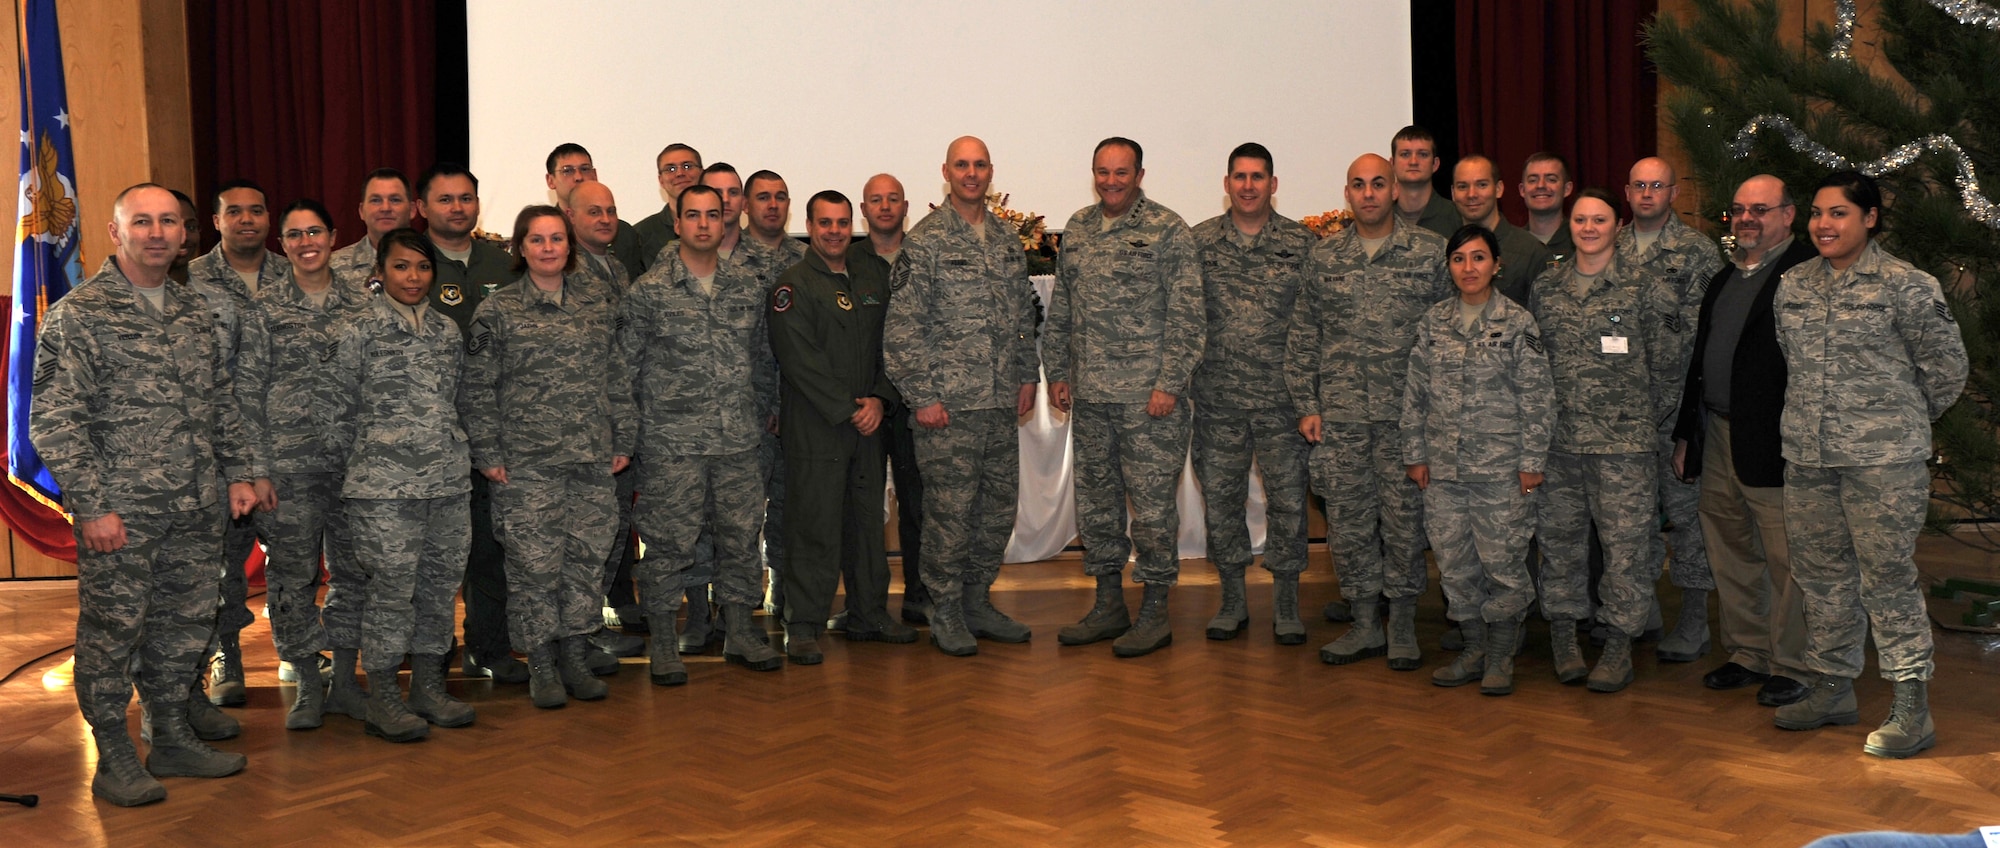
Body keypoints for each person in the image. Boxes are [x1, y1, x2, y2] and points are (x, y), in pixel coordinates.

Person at [32, 184, 261, 806]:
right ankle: (112, 757)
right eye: (142, 221)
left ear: (184, 233)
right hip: (122, 515)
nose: (157, 232)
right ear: (116, 232)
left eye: (168, 221)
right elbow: (54, 420)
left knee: (183, 628)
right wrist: (92, 506)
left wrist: (239, 472)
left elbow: (220, 401)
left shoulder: (193, 312)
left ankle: (171, 736)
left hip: (195, 506)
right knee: (113, 634)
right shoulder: (81, 315)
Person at [1770, 171, 1966, 759]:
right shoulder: (1793, 285)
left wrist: (1895, 421)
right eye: (1817, 214)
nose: (1823, 225)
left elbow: (1947, 370)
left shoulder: (1907, 285)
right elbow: (1792, 361)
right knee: (1823, 578)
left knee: (1887, 579)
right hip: (1808, 457)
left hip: (1882, 465)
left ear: (1870, 219)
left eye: (1838, 214)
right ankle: (1832, 688)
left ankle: (1912, 704)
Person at [463, 206, 636, 708]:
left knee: (584, 561)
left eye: (556, 239)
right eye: (536, 240)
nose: (547, 248)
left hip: (589, 459)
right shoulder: (498, 312)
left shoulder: (596, 303)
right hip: (526, 465)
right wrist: (487, 453)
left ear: (570, 246)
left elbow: (617, 376)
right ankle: (541, 662)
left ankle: (575, 658)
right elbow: (477, 389)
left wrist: (623, 438)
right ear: (520, 249)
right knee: (534, 568)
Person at [1526, 187, 1693, 693]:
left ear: (1616, 226)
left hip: (1624, 448)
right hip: (1558, 447)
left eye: (1599, 220)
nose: (1589, 228)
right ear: (1570, 225)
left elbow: (1669, 367)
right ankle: (1564, 637)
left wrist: (1643, 425)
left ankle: (1619, 644)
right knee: (1560, 546)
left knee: (1625, 550)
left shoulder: (1645, 287)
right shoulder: (1547, 287)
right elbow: (1535, 367)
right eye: (1580, 220)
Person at [1287, 153, 1450, 671]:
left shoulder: (1430, 253)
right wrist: (1308, 405)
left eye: (1379, 184)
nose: (1370, 193)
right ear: (1348, 193)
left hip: (1407, 421)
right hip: (1342, 420)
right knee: (1351, 525)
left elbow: (1448, 336)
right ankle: (1363, 624)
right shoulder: (1325, 257)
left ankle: (1401, 625)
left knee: (1404, 525)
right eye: (1359, 185)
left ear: (1396, 190)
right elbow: (1304, 335)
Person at [620, 184, 786, 681]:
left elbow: (762, 361)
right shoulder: (648, 292)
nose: (704, 224)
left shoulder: (747, 287)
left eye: (713, 215)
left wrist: (767, 411)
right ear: (677, 222)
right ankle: (666, 643)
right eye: (693, 215)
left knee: (739, 539)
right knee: (669, 545)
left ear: (724, 220)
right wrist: (630, 437)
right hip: (673, 446)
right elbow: (624, 371)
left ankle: (739, 632)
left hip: (738, 441)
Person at [882, 138, 1041, 655]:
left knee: (996, 511)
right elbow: (903, 329)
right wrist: (922, 397)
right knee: (949, 517)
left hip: (998, 405)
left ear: (990, 171)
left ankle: (977, 600)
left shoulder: (1003, 239)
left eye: (979, 165)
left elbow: (1021, 319)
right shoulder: (926, 242)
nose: (971, 174)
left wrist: (1026, 375)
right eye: (961, 165)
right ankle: (945, 609)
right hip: (947, 410)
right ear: (945, 172)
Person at [1047, 137, 1204, 658]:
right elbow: (1064, 307)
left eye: (1121, 172)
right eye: (1102, 172)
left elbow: (1187, 314)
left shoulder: (1168, 229)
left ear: (1140, 174)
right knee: (1098, 506)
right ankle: (1109, 604)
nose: (1111, 181)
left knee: (1154, 510)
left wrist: (1169, 384)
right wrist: (1058, 370)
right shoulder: (1079, 228)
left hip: (1148, 400)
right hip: (1091, 397)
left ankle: (1155, 611)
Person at [1671, 174, 1818, 707]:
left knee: (1786, 557)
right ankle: (1748, 653)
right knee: (1729, 548)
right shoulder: (1724, 278)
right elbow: (1700, 365)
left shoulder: (1805, 275)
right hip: (1718, 434)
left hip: (1777, 441)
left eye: (1760, 209)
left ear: (1788, 215)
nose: (1747, 218)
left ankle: (1792, 662)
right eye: (1738, 209)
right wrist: (1687, 433)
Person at [323, 228, 475, 743]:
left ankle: (429, 688)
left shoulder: (447, 332)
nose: (413, 277)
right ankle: (384, 697)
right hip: (382, 489)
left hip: (447, 484)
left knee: (438, 590)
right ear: (380, 272)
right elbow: (337, 413)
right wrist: (357, 472)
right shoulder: (357, 330)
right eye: (402, 267)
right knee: (390, 593)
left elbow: (454, 400)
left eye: (423, 267)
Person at [237, 199, 374, 730]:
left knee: (354, 575)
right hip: (287, 471)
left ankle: (344, 681)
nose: (305, 242)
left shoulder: (364, 306)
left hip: (352, 469)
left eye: (314, 231)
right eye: (294, 235)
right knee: (291, 580)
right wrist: (257, 469)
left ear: (334, 236)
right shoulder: (263, 309)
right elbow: (246, 393)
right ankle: (308, 684)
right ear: (283, 244)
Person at [1403, 224, 1553, 695]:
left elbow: (1537, 397)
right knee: (1455, 565)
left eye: (1478, 258)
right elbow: (1415, 394)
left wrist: (1532, 461)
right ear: (1449, 267)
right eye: (1459, 259)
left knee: (1503, 564)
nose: (1469, 268)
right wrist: (1415, 454)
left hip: (1502, 471)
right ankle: (1473, 648)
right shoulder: (1433, 322)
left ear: (1496, 265)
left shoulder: (1518, 322)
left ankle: (1502, 654)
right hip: (1443, 471)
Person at [769, 190, 915, 663]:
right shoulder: (792, 286)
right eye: (824, 223)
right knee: (814, 526)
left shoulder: (874, 276)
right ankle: (805, 623)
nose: (834, 231)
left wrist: (879, 399)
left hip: (868, 425)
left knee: (867, 524)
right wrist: (849, 407)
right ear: (808, 227)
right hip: (817, 427)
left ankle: (868, 613)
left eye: (841, 222)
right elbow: (799, 361)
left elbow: (891, 345)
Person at [416, 164, 539, 684]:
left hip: (498, 428)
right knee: (433, 555)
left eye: (466, 198)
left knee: (492, 547)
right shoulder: (410, 261)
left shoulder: (503, 261)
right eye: (445, 200)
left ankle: (490, 647)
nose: (457, 208)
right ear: (423, 208)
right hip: (431, 432)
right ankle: (431, 653)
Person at [1188, 142, 1315, 645]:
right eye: (1238, 176)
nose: (1247, 186)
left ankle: (1286, 602)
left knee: (1287, 502)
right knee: (1222, 500)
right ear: (1226, 184)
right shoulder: (1198, 243)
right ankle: (1232, 599)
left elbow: (1311, 325)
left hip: (1282, 401)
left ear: (1273, 184)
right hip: (1218, 399)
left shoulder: (1302, 245)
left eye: (1257, 177)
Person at [1618, 156, 1724, 665]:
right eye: (1638, 185)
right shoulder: (1607, 247)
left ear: (1673, 193)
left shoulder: (1697, 253)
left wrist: (1691, 421)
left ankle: (1694, 619)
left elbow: (1705, 340)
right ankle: (1641, 611)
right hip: (1620, 415)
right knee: (1630, 521)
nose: (1646, 193)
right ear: (1627, 191)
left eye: (1656, 185)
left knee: (1687, 520)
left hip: (1676, 411)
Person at [187, 179, 288, 706]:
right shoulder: (190, 280)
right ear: (217, 220)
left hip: (294, 443)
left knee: (292, 556)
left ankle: (296, 652)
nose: (247, 219)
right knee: (223, 564)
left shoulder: (295, 272)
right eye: (235, 212)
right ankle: (225, 653)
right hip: (221, 451)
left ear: (269, 218)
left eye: (257, 210)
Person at [854, 171, 935, 626]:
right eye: (875, 200)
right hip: (864, 404)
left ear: (906, 207)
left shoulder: (925, 256)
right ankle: (865, 602)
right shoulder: (844, 259)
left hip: (914, 401)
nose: (885, 207)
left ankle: (919, 594)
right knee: (863, 508)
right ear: (863, 210)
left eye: (893, 199)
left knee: (918, 504)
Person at [1450, 155, 1551, 305]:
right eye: (1462, 187)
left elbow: (1546, 316)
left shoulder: (1530, 252)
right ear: (1453, 193)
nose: (1471, 194)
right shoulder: (1444, 247)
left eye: (1482, 185)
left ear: (1498, 189)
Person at [543, 142, 647, 273]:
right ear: (550, 180)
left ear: (595, 175)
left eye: (585, 169)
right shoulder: (544, 236)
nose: (578, 177)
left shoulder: (622, 233)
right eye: (567, 171)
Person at [330, 167, 414, 291]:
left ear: (412, 210)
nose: (385, 208)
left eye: (395, 200)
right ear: (361, 211)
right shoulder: (332, 267)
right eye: (376, 200)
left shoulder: (434, 261)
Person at [631, 142, 703, 274]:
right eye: (670, 169)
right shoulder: (640, 235)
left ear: (702, 173)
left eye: (687, 166)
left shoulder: (719, 226)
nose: (680, 173)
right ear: (661, 180)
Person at [564, 180, 632, 299]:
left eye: (611, 212)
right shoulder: (565, 267)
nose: (606, 220)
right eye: (594, 212)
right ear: (571, 216)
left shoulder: (618, 267)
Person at [1390, 126, 1458, 236]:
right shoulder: (1381, 218)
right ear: (1392, 163)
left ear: (1435, 164)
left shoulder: (1457, 217)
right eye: (1405, 154)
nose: (1413, 162)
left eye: (1423, 154)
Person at [1519, 152, 1575, 260]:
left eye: (1551, 179)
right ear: (1522, 190)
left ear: (1567, 189)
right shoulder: (1510, 245)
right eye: (1533, 180)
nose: (1541, 185)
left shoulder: (1582, 241)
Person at [168, 189, 200, 283]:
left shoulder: (215, 292)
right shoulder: (128, 293)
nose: (184, 238)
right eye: (171, 226)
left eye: (191, 227)